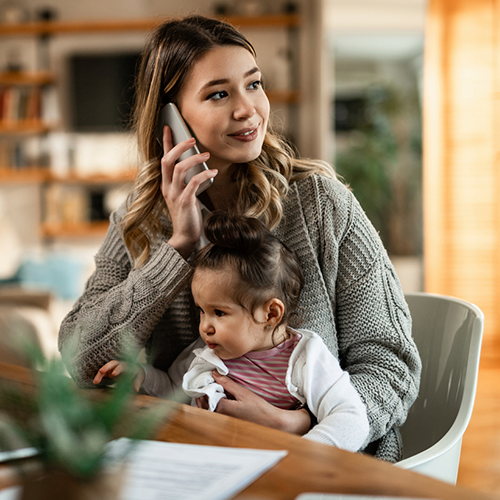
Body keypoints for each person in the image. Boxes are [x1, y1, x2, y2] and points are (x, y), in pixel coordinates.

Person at [58, 15, 421, 462]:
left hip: (327, 464)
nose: (248, 108)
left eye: (254, 84)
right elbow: (81, 358)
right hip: (190, 460)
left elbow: (391, 364)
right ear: (171, 120)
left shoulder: (321, 203)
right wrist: (180, 247)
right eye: (218, 94)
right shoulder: (139, 220)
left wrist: (302, 424)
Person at [93, 212, 371, 452]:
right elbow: (173, 391)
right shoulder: (207, 354)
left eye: (220, 313)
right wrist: (142, 376)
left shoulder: (305, 358)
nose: (205, 326)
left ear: (270, 314)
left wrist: (306, 453)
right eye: (202, 310)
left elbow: (351, 416)